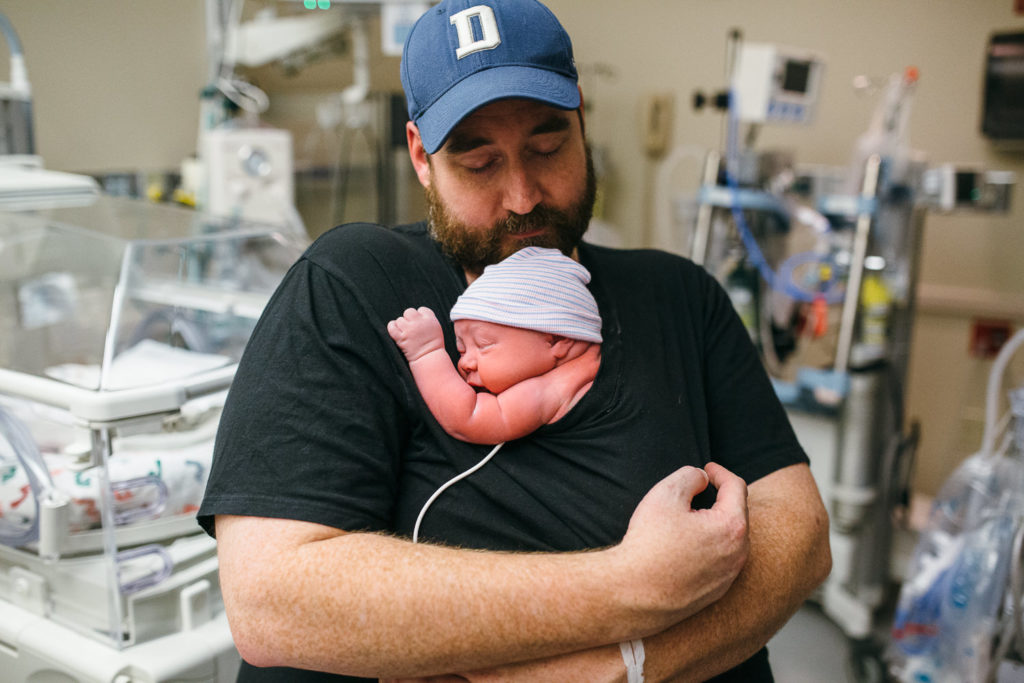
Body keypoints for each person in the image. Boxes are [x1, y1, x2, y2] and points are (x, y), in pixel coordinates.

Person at [198, 0, 831, 681]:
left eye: (547, 148)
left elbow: (800, 532)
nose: (523, 196)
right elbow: (272, 599)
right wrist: (629, 583)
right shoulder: (355, 285)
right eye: (479, 162)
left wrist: (628, 665)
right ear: (421, 157)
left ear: (582, 122)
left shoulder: (678, 296)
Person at [387, 246, 603, 445]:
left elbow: (470, 418)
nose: (465, 363)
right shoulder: (591, 363)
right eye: (462, 349)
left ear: (556, 340)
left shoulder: (550, 389)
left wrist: (427, 352)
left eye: (483, 345)